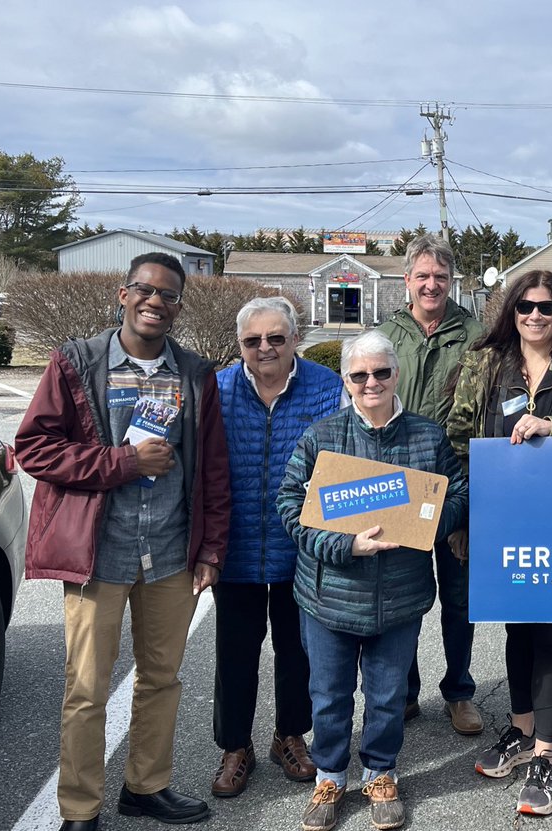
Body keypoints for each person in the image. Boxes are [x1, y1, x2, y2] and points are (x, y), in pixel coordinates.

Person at [15, 252, 231, 831]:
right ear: (122, 294)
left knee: (161, 679)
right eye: (145, 290)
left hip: (168, 554)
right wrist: (121, 462)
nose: (155, 302)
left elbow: (212, 468)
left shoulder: (193, 374)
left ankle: (146, 786)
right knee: (85, 689)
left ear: (180, 307)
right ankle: (79, 810)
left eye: (168, 295)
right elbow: (34, 449)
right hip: (97, 556)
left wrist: (210, 549)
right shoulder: (74, 363)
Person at [447, 270, 552, 816]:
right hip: (500, 522)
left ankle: (547, 755)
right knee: (517, 630)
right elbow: (456, 439)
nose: (535, 316)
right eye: (525, 307)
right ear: (511, 311)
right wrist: (463, 519)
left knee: (549, 632)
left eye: (546, 307)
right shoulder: (484, 364)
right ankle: (522, 732)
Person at [276, 330, 467, 831]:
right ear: (346, 380)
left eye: (381, 372)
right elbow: (290, 507)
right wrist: (346, 545)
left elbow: (459, 493)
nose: (371, 382)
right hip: (329, 597)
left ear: (396, 374)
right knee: (329, 694)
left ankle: (381, 773)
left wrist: (426, 527)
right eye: (359, 375)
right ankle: (332, 775)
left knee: (386, 697)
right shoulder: (322, 437)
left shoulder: (427, 436)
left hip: (399, 599)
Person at [210, 296, 344, 798]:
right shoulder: (217, 389)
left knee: (298, 650)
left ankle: (290, 736)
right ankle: (234, 746)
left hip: (302, 547)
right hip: (237, 545)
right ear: (240, 344)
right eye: (252, 340)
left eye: (275, 338)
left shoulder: (327, 387)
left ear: (295, 339)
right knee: (235, 652)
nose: (264, 348)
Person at [377, 233, 485, 736]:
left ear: (451, 281)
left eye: (440, 276)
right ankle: (405, 690)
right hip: (400, 485)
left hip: (457, 484)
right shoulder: (387, 335)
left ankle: (460, 691)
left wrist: (471, 503)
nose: (431, 284)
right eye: (422, 275)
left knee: (459, 599)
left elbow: (484, 416)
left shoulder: (477, 335)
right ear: (407, 281)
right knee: (404, 594)